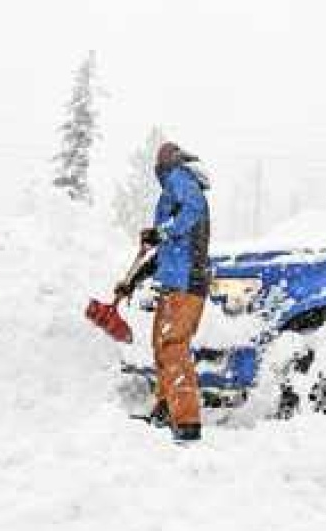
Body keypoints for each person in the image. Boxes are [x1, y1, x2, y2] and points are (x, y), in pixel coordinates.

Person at [116, 141, 211, 442]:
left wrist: (161, 231)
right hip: (174, 284)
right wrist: (133, 280)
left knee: (173, 347)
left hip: (186, 284)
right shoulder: (175, 192)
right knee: (162, 346)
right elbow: (163, 255)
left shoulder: (181, 179)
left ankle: (187, 422)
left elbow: (192, 212)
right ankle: (166, 408)